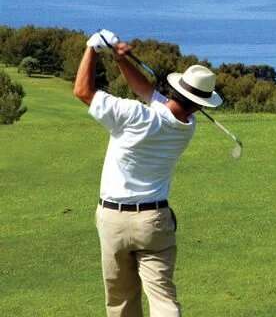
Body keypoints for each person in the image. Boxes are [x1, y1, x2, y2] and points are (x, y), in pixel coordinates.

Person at [73, 30, 223, 317]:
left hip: (113, 219)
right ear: (199, 105)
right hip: (153, 222)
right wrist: (121, 59)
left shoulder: (134, 115)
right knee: (163, 299)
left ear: (175, 90)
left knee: (121, 301)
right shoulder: (186, 127)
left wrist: (92, 48)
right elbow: (149, 94)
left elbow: (82, 91)